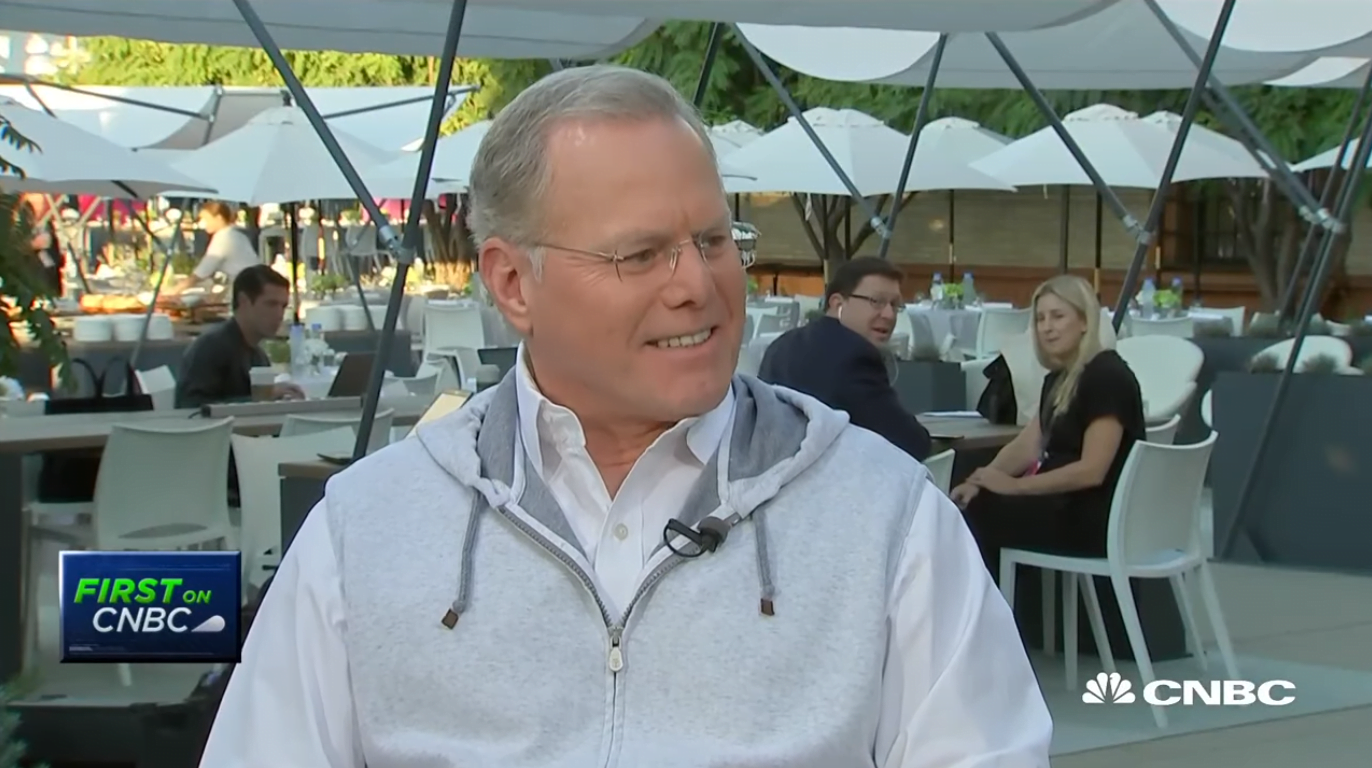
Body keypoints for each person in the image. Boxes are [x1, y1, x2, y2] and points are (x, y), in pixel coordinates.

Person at [200, 66, 1050, 768]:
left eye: (714, 242)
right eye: (640, 254)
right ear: (512, 284)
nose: (698, 285)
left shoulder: (887, 518)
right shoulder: (365, 532)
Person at [951, 275, 1146, 578]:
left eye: (1058, 316)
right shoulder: (1061, 378)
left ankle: (994, 607)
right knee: (967, 504)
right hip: (1065, 507)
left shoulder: (1106, 376)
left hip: (1094, 518)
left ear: (1085, 321)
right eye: (1040, 319)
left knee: (970, 517)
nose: (1047, 327)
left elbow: (1092, 470)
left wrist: (1015, 486)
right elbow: (1027, 445)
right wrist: (980, 481)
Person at [758, 257, 933, 460]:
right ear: (837, 304)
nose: (889, 315)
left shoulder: (781, 345)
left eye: (894, 305)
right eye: (876, 302)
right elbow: (911, 443)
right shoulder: (856, 355)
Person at [174, 265, 303, 409]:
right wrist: (262, 398)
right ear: (244, 301)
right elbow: (190, 407)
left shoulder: (258, 356)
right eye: (271, 304)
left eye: (283, 306)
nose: (279, 314)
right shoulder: (211, 348)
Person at [167, 201, 259, 295]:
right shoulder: (237, 234)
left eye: (205, 219)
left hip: (247, 290)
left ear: (219, 218)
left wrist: (173, 291)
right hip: (254, 284)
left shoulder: (223, 238)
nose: (202, 223)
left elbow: (201, 273)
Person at [21, 193, 64, 297]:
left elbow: (57, 256)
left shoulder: (48, 225)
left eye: (42, 205)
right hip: (28, 278)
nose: (39, 209)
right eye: (34, 205)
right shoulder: (20, 225)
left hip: (50, 278)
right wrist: (31, 245)